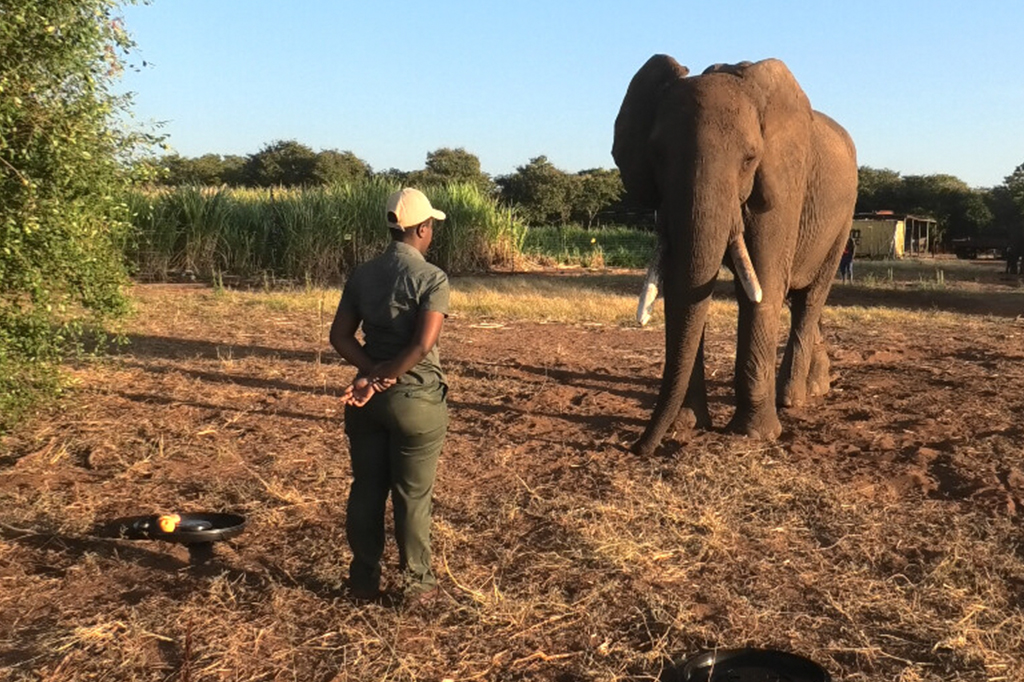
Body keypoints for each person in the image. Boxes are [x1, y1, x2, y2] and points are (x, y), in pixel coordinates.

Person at [330, 187, 450, 606]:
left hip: (365, 403)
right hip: (415, 400)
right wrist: (385, 377)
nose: (431, 232)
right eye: (430, 226)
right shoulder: (431, 278)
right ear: (422, 228)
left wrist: (368, 373)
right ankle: (418, 585)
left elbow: (340, 336)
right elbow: (421, 346)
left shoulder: (362, 274)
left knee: (366, 487)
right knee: (412, 495)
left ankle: (362, 579)